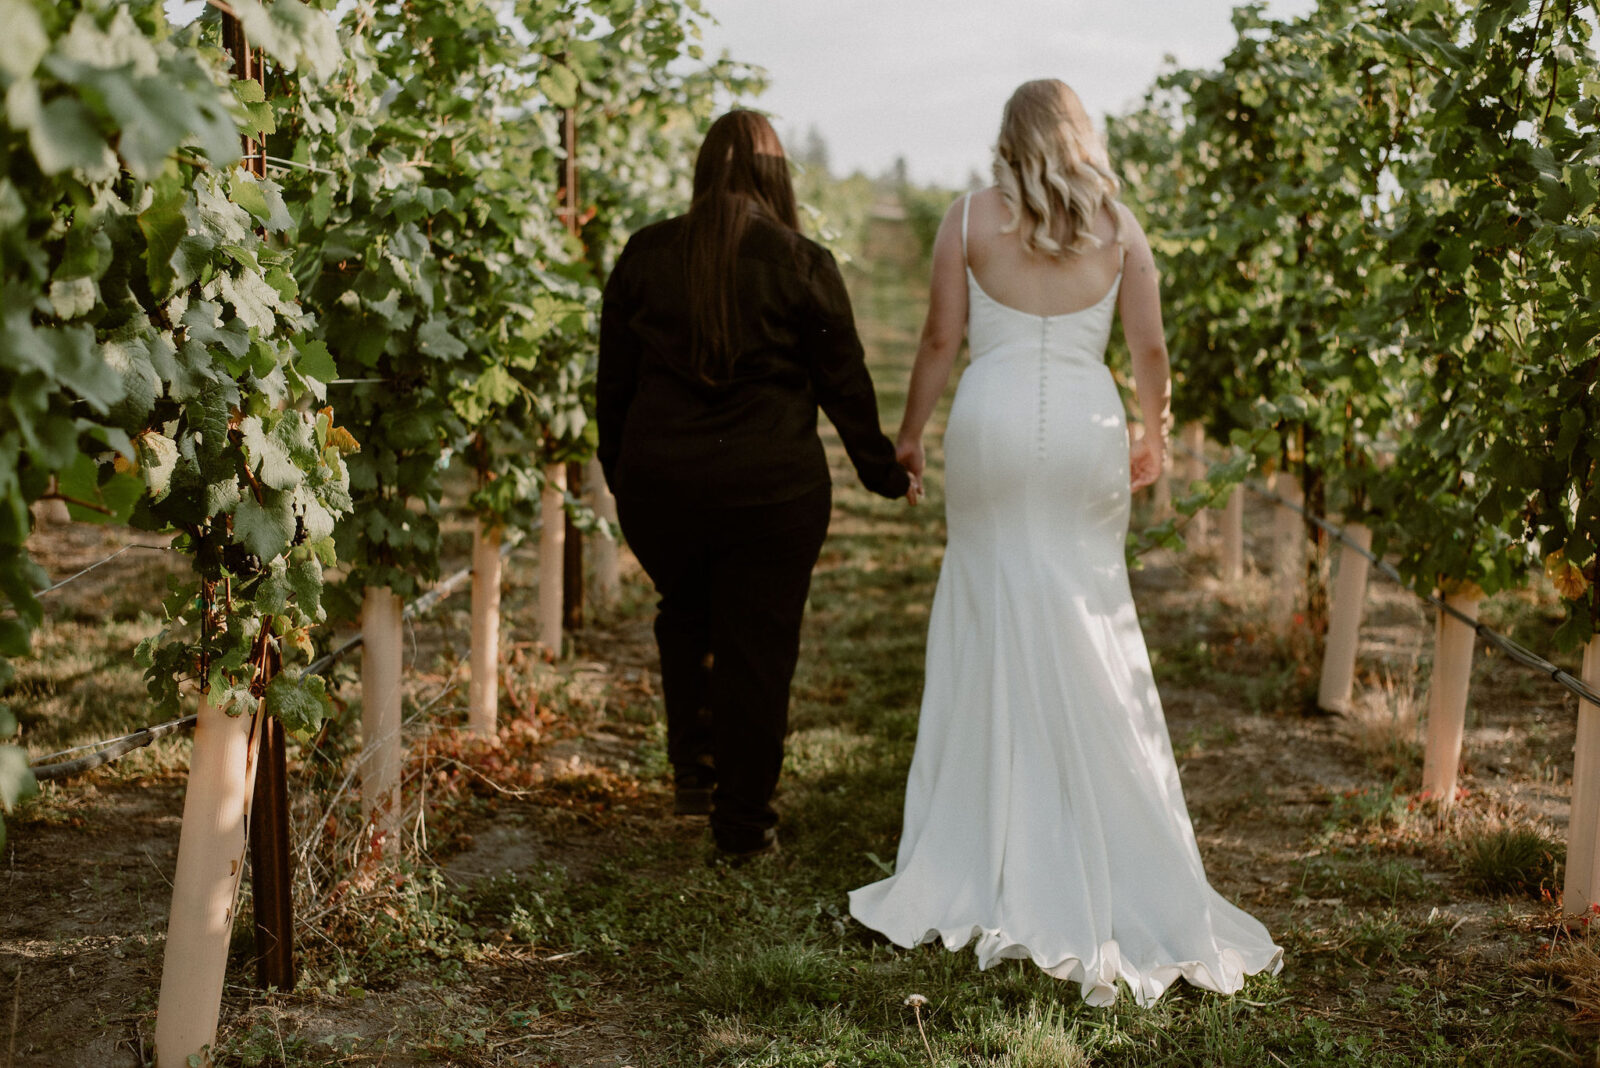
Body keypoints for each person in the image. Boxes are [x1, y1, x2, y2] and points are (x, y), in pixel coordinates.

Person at [848, 79, 1282, 1003]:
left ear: (1007, 139)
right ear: (1083, 138)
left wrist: (911, 432)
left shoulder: (969, 218)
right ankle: (1108, 821)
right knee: (1092, 612)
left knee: (988, 606)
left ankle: (980, 835)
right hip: (1087, 421)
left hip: (992, 423)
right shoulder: (1119, 228)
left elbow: (938, 338)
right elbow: (1151, 352)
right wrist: (1153, 434)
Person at [597, 110, 913, 861]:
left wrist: (626, 478)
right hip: (770, 492)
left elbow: (612, 389)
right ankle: (742, 824)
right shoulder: (802, 261)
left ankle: (696, 768)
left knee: (686, 609)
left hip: (661, 487)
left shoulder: (645, 254)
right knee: (758, 645)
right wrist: (882, 472)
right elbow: (845, 385)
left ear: (703, 172)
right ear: (777, 178)